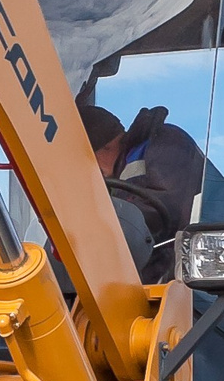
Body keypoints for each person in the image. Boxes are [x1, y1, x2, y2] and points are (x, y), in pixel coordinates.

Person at [82, 98, 207, 274]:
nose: (90, 170)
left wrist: (100, 223)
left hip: (182, 273)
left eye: (88, 159)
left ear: (106, 147)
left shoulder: (165, 142)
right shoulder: (119, 173)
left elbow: (169, 210)